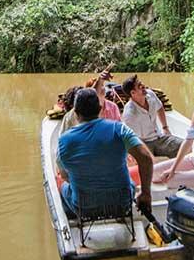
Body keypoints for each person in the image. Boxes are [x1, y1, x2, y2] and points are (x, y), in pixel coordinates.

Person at [58, 88, 154, 217]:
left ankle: (73, 224)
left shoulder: (63, 140)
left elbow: (65, 175)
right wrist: (145, 193)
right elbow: (146, 158)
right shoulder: (119, 129)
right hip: (122, 203)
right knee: (129, 181)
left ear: (75, 112)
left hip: (84, 207)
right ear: (99, 108)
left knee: (63, 188)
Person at [121, 74, 182, 158]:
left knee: (183, 146)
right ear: (133, 93)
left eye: (141, 83)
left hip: (158, 137)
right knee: (148, 162)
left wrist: (165, 128)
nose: (143, 86)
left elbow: (160, 108)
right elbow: (133, 138)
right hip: (143, 143)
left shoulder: (150, 94)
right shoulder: (130, 113)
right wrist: (148, 156)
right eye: (139, 86)